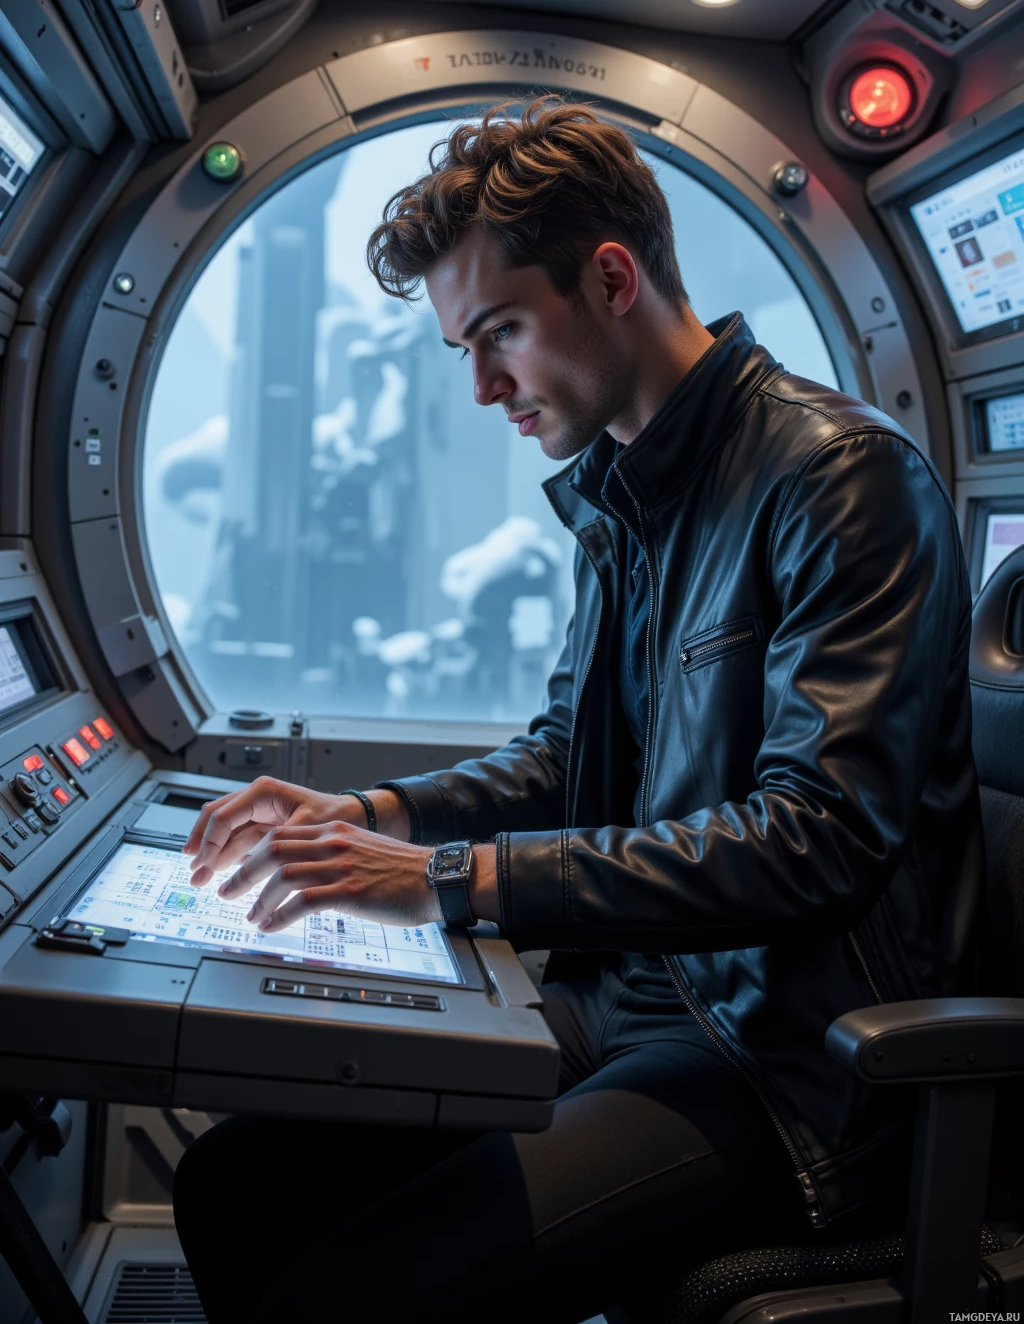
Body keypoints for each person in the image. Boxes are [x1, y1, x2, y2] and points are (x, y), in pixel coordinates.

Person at [173, 98, 980, 1324]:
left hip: (782, 1060)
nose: (487, 386)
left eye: (500, 331)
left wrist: (449, 875)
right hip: (629, 1000)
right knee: (235, 1179)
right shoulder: (621, 493)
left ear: (610, 278)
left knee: (350, 1291)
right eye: (465, 349)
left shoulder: (839, 476)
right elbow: (571, 754)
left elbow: (819, 837)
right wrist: (369, 809)